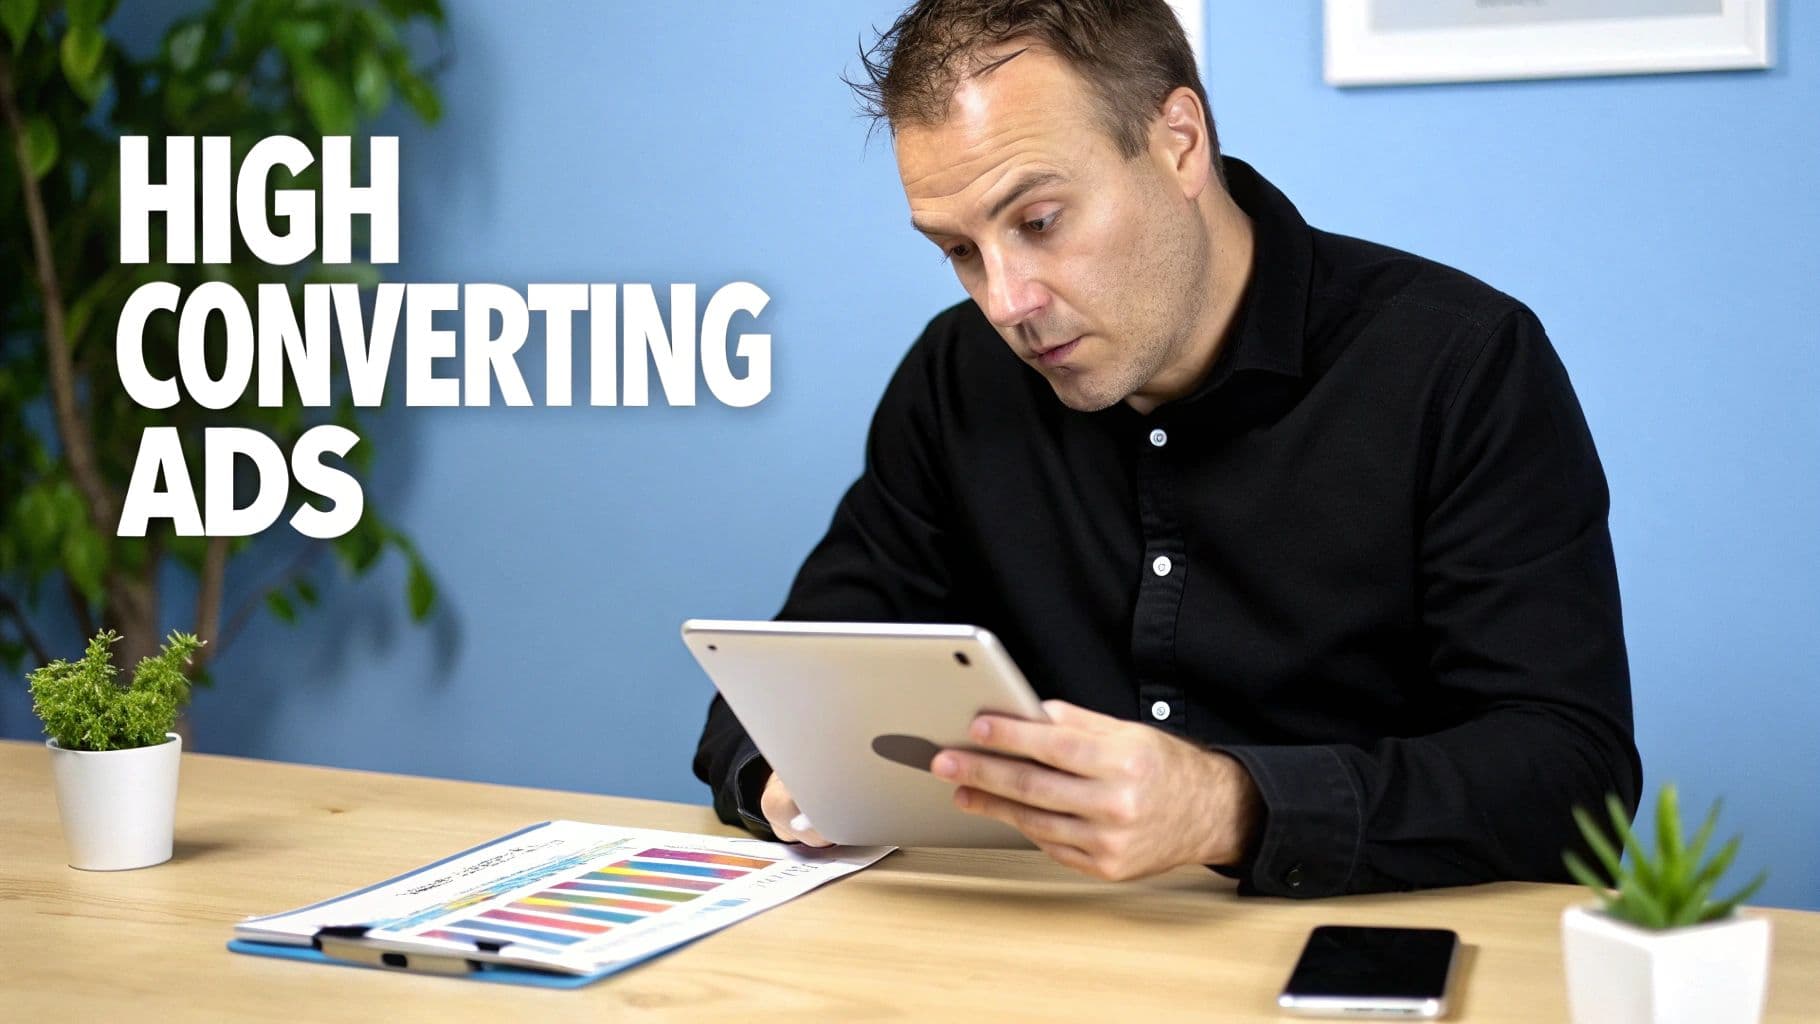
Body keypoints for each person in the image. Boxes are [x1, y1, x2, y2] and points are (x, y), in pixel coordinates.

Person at [693, 0, 1640, 898]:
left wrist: (1227, 807)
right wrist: (784, 769)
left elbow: (1571, 772)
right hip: (1046, 949)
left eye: (1039, 221)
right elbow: (787, 671)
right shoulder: (956, 376)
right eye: (959, 250)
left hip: (1364, 952)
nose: (1005, 302)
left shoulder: (1460, 362)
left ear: (1178, 142)